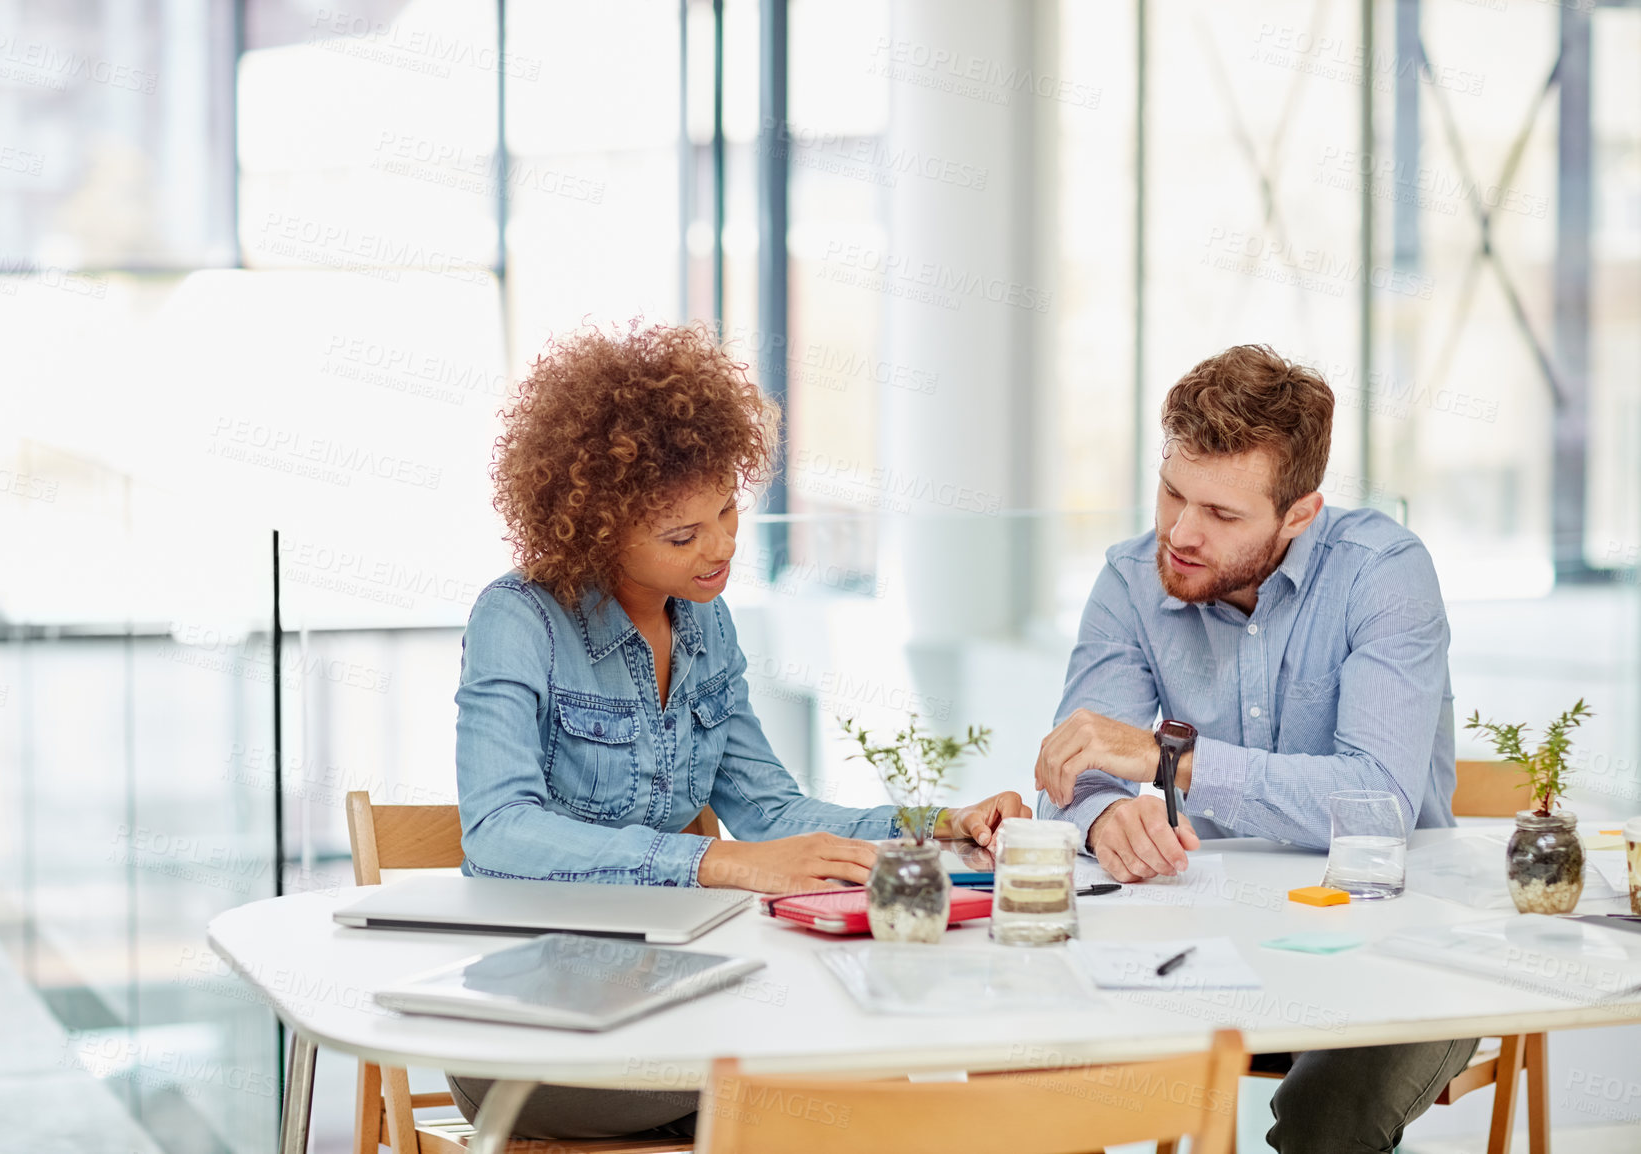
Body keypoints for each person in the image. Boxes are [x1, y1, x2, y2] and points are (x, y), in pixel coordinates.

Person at [449, 322, 1028, 1139]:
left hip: (677, 992)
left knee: (884, 1060)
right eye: (683, 536)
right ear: (596, 527)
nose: (722, 547)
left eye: (727, 511)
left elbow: (771, 812)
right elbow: (500, 832)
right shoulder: (520, 621)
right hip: (537, 1029)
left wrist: (935, 827)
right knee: (867, 1080)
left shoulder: (706, 627)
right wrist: (719, 862)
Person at [1031, 345, 1474, 1154]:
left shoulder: (1384, 572)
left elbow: (1377, 801)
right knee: (1037, 1068)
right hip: (1213, 940)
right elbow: (1077, 766)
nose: (1181, 533)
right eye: (1172, 494)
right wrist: (1100, 820)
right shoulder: (1131, 579)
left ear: (1300, 513)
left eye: (1223, 516)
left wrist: (1169, 761)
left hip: (1401, 937)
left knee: (1326, 1118)